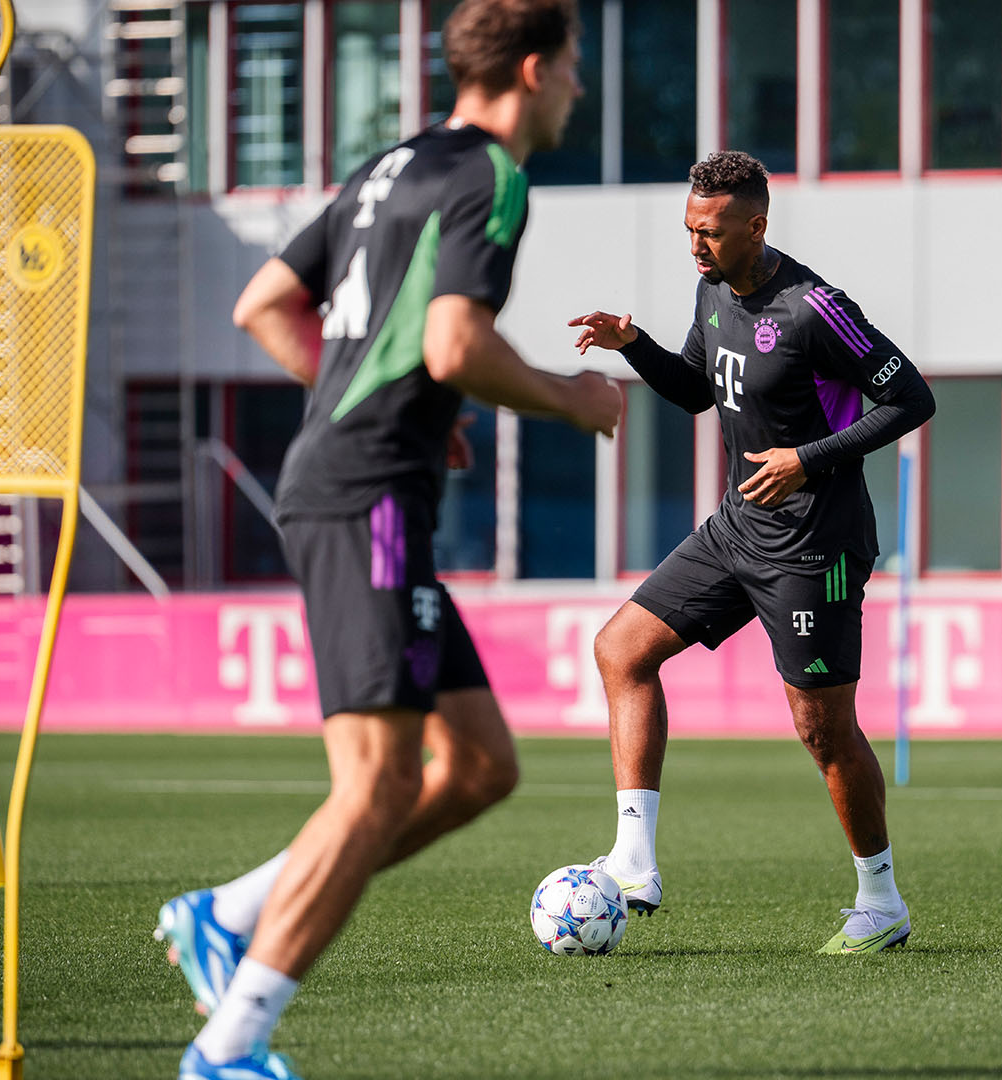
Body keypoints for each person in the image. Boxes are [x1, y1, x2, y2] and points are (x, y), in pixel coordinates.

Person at [155, 4, 622, 1077]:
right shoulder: (494, 178)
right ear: (537, 70)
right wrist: (569, 398)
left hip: (361, 484)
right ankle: (231, 1047)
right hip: (361, 495)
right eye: (576, 73)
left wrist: (384, 393)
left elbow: (266, 304)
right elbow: (456, 341)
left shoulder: (389, 166)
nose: (579, 95)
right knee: (376, 784)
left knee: (479, 767)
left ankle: (228, 914)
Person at [569, 150, 935, 954]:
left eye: (713, 232)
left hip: (816, 548)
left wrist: (809, 457)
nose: (697, 246)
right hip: (737, 529)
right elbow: (701, 391)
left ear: (757, 226)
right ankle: (634, 862)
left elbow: (912, 398)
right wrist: (635, 344)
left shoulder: (815, 307)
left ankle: (882, 902)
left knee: (822, 730)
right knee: (621, 650)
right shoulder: (710, 289)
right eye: (690, 230)